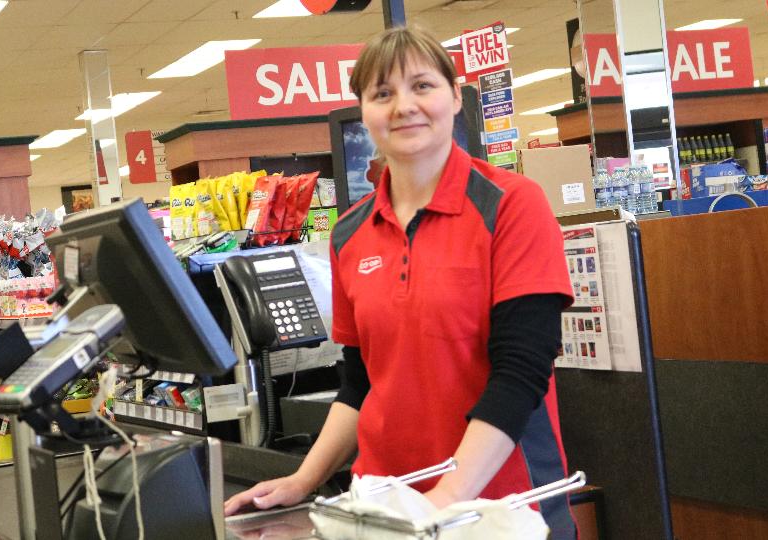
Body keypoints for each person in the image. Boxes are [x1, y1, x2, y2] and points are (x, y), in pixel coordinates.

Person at [224, 26, 576, 538]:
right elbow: (361, 383)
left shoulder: (512, 205)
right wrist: (304, 479)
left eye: (422, 86)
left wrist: (445, 500)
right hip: (386, 509)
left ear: (455, 96)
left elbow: (522, 371)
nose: (403, 106)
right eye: (382, 93)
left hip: (500, 509)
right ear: (364, 111)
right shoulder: (350, 233)